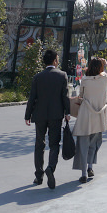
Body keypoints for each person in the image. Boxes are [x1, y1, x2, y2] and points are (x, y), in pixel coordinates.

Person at [24, 49, 71, 189]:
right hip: (56, 115)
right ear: (55, 61)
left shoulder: (38, 77)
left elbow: (32, 98)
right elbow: (65, 97)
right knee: (54, 144)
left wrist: (27, 115)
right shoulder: (62, 75)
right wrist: (67, 112)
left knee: (39, 144)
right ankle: (50, 168)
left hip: (39, 115)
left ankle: (38, 176)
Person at [73, 56, 107, 183]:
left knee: (83, 144)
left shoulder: (85, 80)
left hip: (85, 115)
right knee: (95, 142)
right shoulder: (104, 78)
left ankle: (83, 173)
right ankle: (90, 167)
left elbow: (81, 96)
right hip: (99, 115)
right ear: (101, 67)